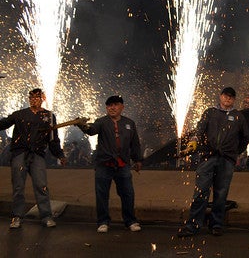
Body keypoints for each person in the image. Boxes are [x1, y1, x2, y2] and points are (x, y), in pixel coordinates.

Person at [178, 87, 249, 237]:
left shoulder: (239, 117)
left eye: (231, 97)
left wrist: (233, 153)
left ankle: (216, 225)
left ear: (234, 99)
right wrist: (194, 140)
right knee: (200, 192)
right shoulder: (210, 112)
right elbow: (199, 129)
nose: (228, 98)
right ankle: (193, 225)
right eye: (225, 96)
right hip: (207, 157)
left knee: (221, 194)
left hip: (226, 160)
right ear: (220, 96)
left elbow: (245, 138)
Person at [0, 88, 66, 228]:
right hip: (20, 153)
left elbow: (53, 139)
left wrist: (59, 154)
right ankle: (17, 216)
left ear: (42, 99)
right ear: (29, 99)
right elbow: (3, 123)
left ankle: (46, 216)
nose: (34, 100)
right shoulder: (20, 114)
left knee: (41, 185)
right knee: (18, 186)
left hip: (37, 154)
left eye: (37, 97)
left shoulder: (48, 116)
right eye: (32, 97)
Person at [76, 95, 143, 233]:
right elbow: (91, 130)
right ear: (106, 108)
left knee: (128, 193)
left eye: (115, 105)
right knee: (102, 194)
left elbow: (135, 143)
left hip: (123, 164)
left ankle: (130, 221)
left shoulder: (129, 123)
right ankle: (103, 222)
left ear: (122, 107)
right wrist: (83, 125)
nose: (112, 108)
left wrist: (138, 160)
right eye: (109, 105)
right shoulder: (101, 122)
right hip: (104, 164)